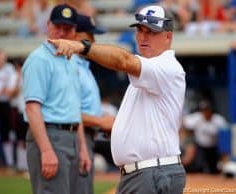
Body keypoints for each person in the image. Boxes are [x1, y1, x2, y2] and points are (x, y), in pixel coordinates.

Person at [48, 4, 186, 194]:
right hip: (146, 172)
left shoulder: (167, 66)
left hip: (152, 172)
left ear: (168, 36)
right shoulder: (152, 70)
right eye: (140, 30)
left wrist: (82, 46)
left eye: (152, 32)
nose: (143, 37)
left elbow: (124, 61)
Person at [22, 4, 91, 194]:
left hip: (72, 136)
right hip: (50, 135)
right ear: (48, 25)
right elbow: (32, 109)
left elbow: (74, 107)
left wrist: (83, 148)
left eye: (67, 28)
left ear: (75, 31)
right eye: (57, 26)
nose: (61, 32)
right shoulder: (39, 59)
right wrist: (46, 150)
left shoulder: (72, 59)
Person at [69, 14, 115, 194]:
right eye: (90, 35)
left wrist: (101, 121)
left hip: (86, 136)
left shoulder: (83, 65)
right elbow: (68, 111)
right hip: (75, 138)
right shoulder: (71, 65)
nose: (94, 41)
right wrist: (101, 122)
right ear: (76, 36)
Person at [183, 99, 228, 174]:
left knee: (214, 169)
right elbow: (184, 123)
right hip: (200, 147)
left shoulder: (218, 120)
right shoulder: (197, 117)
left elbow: (225, 133)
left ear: (211, 110)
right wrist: (189, 140)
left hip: (213, 148)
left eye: (207, 110)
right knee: (198, 167)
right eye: (203, 110)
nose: (205, 112)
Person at [10, 58, 28, 173]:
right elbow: (12, 94)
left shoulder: (31, 76)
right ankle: (21, 166)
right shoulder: (14, 77)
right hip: (19, 111)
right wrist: (18, 79)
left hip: (30, 112)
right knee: (20, 139)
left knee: (28, 140)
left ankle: (27, 166)